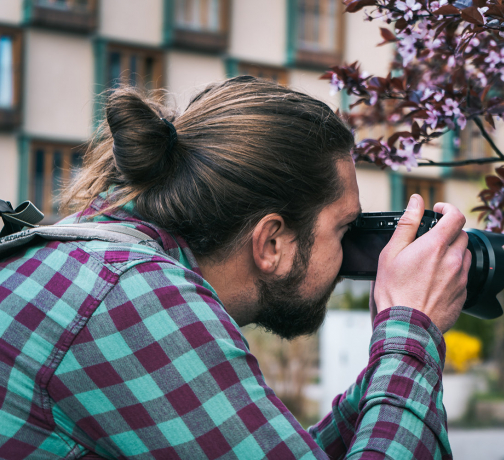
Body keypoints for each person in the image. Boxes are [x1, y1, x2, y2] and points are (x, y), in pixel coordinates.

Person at [0, 77, 471, 459]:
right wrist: (413, 328)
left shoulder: (91, 263)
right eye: (344, 228)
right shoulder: (131, 298)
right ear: (271, 242)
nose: (348, 254)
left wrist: (390, 361)